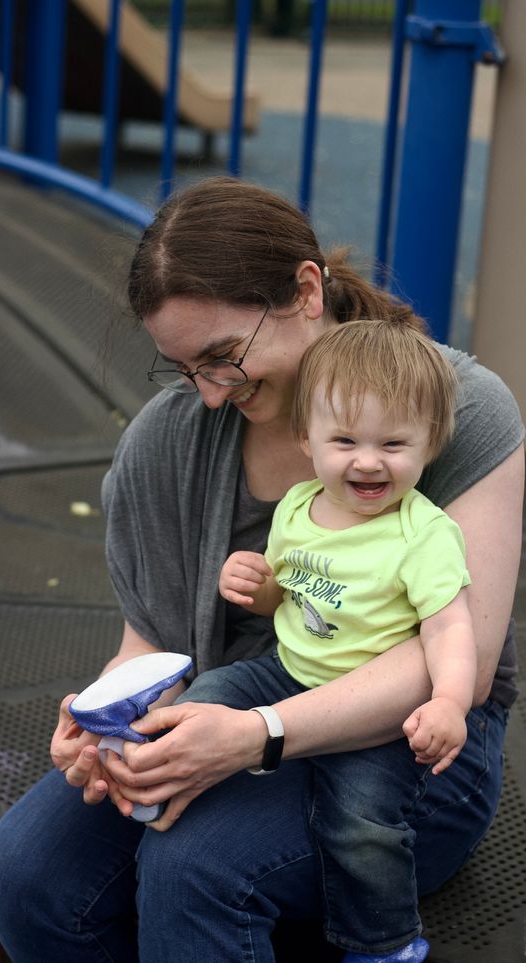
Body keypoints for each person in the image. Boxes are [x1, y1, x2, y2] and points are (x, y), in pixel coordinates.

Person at [0, 176, 525, 963]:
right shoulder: (168, 438)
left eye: (223, 357)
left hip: (407, 747)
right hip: (235, 701)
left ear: (306, 289)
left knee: (196, 864)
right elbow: (153, 638)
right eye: (184, 370)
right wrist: (106, 722)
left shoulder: (456, 407)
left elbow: (462, 664)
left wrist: (253, 737)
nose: (210, 395)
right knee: (26, 872)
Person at [186, 318, 476, 961]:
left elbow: (451, 627)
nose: (368, 460)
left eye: (394, 443)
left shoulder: (422, 535)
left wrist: (449, 703)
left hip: (373, 709)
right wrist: (254, 585)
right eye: (344, 439)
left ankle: (385, 942)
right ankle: (166, 775)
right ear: (307, 439)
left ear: (430, 443)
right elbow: (284, 597)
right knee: (205, 693)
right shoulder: (297, 507)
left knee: (360, 822)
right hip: (289, 669)